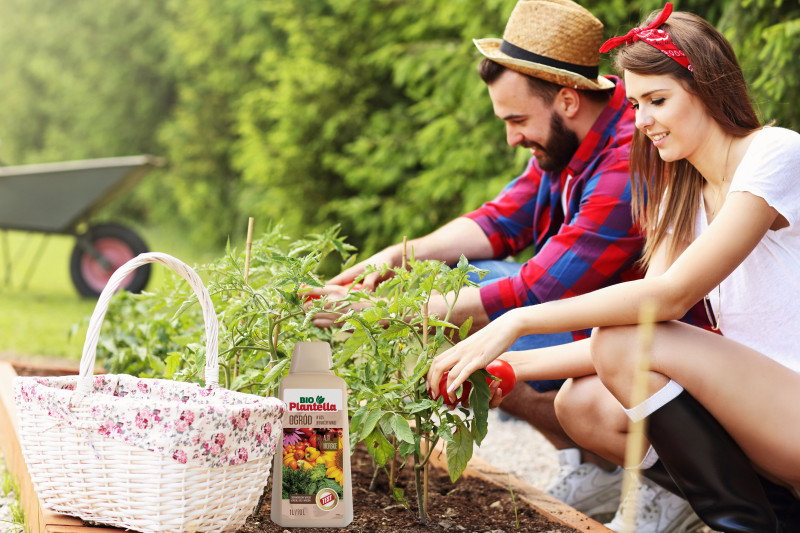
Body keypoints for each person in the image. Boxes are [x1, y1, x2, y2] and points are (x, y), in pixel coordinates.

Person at [312, 0, 708, 526]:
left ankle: (676, 480)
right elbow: (500, 221)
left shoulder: (628, 157)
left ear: (567, 100)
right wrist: (396, 258)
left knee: (459, 318)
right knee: (455, 293)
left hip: (657, 342)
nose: (512, 137)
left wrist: (391, 312)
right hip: (603, 329)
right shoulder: (567, 142)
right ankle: (597, 465)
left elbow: (540, 289)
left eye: (517, 120)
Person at [428, 3, 800, 532]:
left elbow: (665, 302)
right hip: (764, 417)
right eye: (634, 103)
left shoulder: (772, 154)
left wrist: (515, 323)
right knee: (580, 405)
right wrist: (497, 370)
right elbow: (633, 323)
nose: (643, 121)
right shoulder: (681, 191)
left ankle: (745, 526)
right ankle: (779, 518)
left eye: (658, 100)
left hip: (790, 411)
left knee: (623, 341)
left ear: (709, 89)